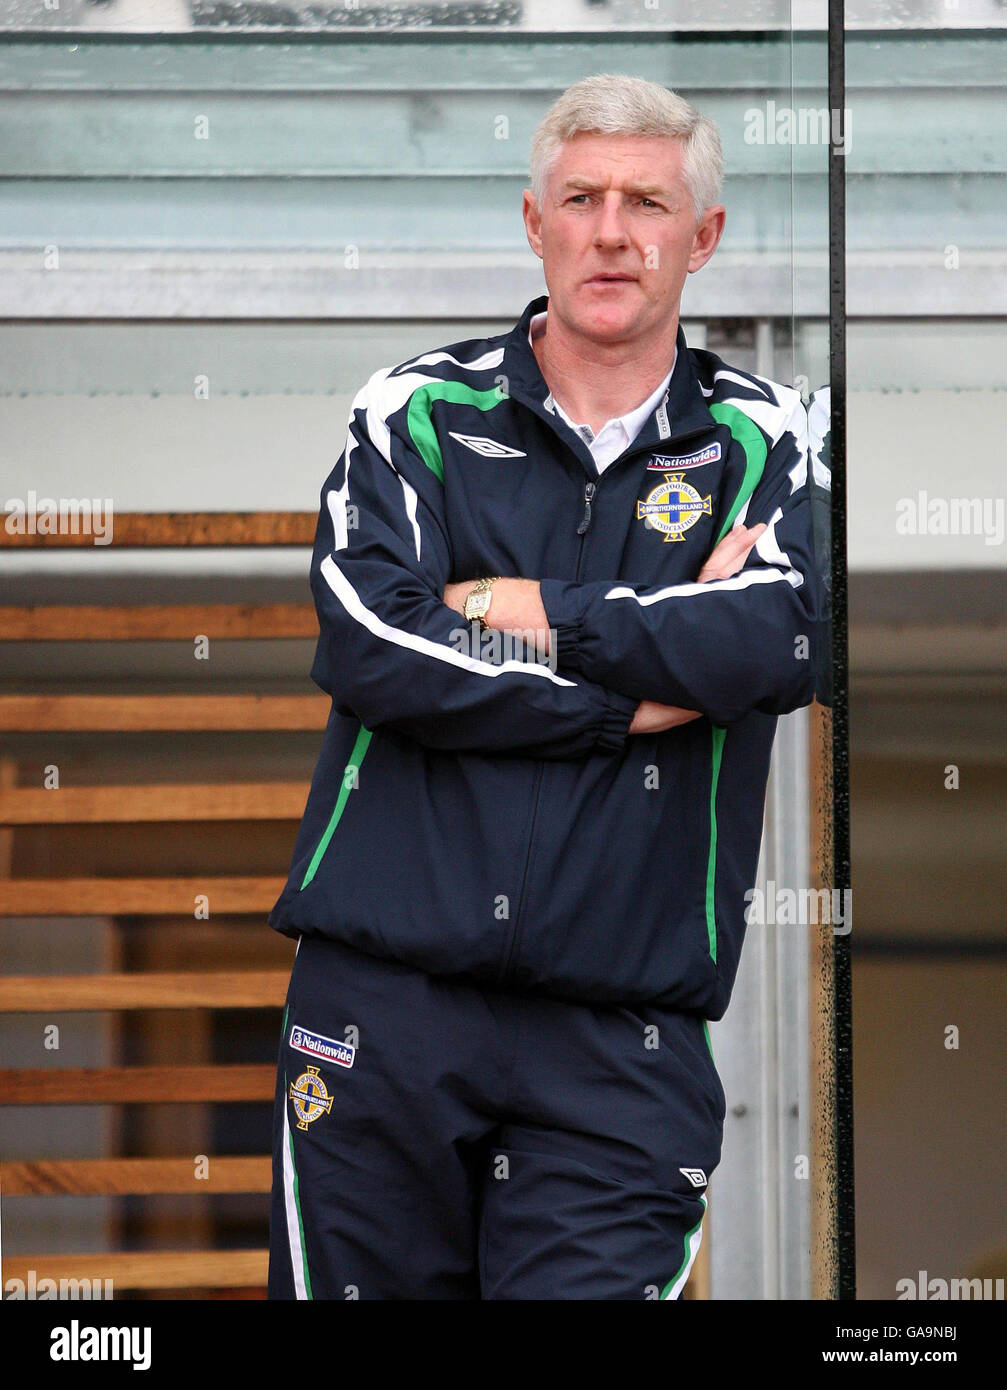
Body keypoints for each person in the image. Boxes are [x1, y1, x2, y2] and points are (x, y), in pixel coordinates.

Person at [266, 73, 823, 1301]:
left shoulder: (772, 437)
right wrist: (626, 696)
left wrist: (524, 613)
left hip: (616, 1041)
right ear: (535, 222)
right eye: (581, 198)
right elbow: (370, 640)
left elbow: (783, 635)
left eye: (646, 202)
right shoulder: (417, 412)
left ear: (703, 237)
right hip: (382, 1013)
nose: (611, 231)